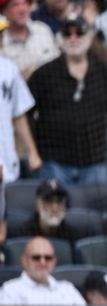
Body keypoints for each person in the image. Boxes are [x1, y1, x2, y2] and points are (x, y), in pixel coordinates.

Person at [28, 15, 107, 185]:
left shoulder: (102, 71)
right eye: (67, 34)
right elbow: (26, 113)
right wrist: (33, 151)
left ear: (89, 37)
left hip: (94, 161)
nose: (73, 38)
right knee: (56, 210)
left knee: (94, 211)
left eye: (79, 33)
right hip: (54, 162)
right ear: (60, 39)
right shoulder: (44, 74)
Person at [0, 17, 42, 183]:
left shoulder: (9, 68)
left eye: (1, 33)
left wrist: (32, 152)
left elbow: (18, 114)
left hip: (8, 159)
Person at [0, 236, 86, 305]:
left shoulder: (67, 289)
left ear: (54, 261)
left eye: (48, 258)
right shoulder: (10, 290)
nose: (43, 262)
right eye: (36, 257)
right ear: (24, 260)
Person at [14, 179, 91, 243]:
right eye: (49, 202)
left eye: (59, 202)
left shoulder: (72, 235)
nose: (55, 208)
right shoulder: (24, 234)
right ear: (37, 205)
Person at [0, 0, 59, 79]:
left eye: (25, 3)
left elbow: (59, 63)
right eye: (15, 5)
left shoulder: (42, 29)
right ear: (3, 11)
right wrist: (20, 77)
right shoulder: (2, 41)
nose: (22, 10)